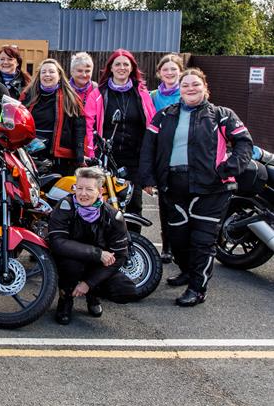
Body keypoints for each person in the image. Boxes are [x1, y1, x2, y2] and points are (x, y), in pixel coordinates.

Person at [140, 69, 252, 307]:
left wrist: (228, 168)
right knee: (178, 237)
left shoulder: (222, 115)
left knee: (202, 240)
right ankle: (187, 271)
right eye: (186, 85)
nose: (190, 88)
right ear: (180, 89)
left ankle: (197, 288)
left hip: (211, 188)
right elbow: (148, 148)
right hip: (173, 185)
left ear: (205, 88)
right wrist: (147, 178)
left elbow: (244, 144)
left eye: (195, 84)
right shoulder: (163, 116)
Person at [48, 166, 138, 325]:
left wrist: (89, 283)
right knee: (71, 265)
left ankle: (93, 295)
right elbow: (57, 242)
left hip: (97, 266)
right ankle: (65, 299)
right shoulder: (65, 206)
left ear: (100, 190)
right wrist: (97, 253)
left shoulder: (113, 215)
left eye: (89, 189)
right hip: (71, 261)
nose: (83, 194)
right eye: (79, 188)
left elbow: (120, 255)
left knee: (126, 290)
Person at [84, 49, 156, 233]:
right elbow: (88, 124)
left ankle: (133, 246)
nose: (122, 68)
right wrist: (92, 154)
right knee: (105, 203)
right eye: (118, 64)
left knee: (133, 204)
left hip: (135, 159)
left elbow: (152, 122)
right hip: (107, 158)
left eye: (126, 64)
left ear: (132, 68)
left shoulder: (141, 93)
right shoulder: (99, 93)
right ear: (110, 68)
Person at [149, 53, 185, 263]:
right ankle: (167, 246)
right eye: (165, 69)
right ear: (159, 73)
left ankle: (184, 247)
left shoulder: (189, 91)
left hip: (183, 153)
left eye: (174, 69)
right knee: (166, 203)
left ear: (180, 71)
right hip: (162, 154)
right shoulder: (153, 96)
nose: (170, 73)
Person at [20, 59, 86, 175]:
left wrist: (80, 157)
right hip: (31, 156)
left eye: (51, 71)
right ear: (39, 76)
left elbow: (79, 129)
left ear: (59, 75)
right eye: (43, 72)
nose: (47, 75)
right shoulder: (27, 96)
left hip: (61, 159)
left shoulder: (71, 99)